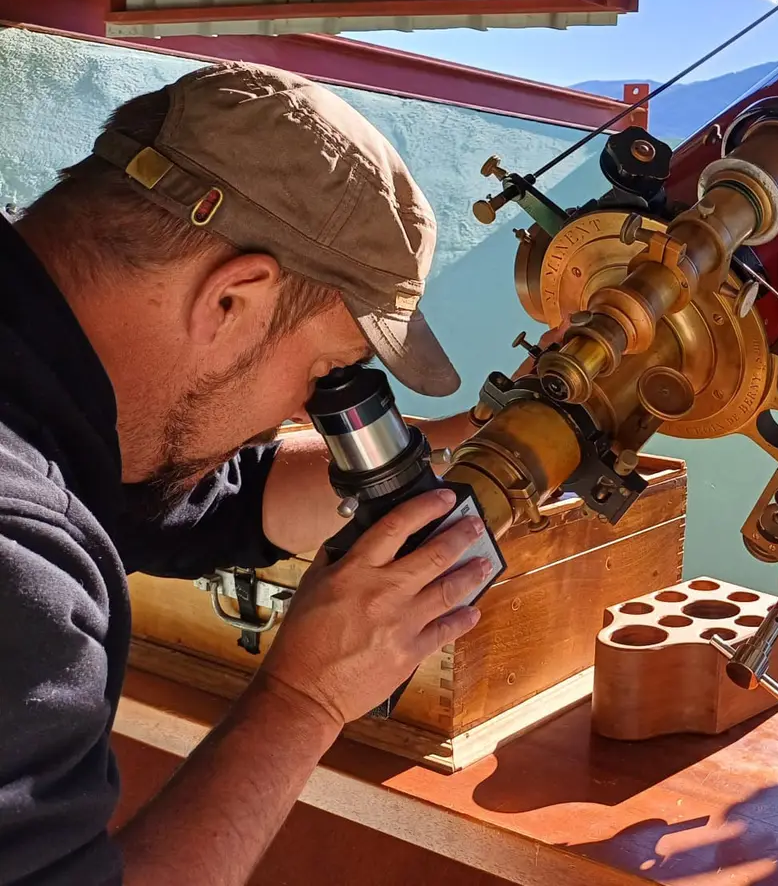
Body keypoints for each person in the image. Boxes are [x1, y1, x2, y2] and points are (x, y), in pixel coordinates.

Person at [0, 63, 495, 886]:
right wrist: (307, 699)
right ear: (232, 301)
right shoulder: (22, 569)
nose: (299, 415)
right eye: (322, 374)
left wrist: (453, 445)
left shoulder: (57, 390)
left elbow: (214, 496)